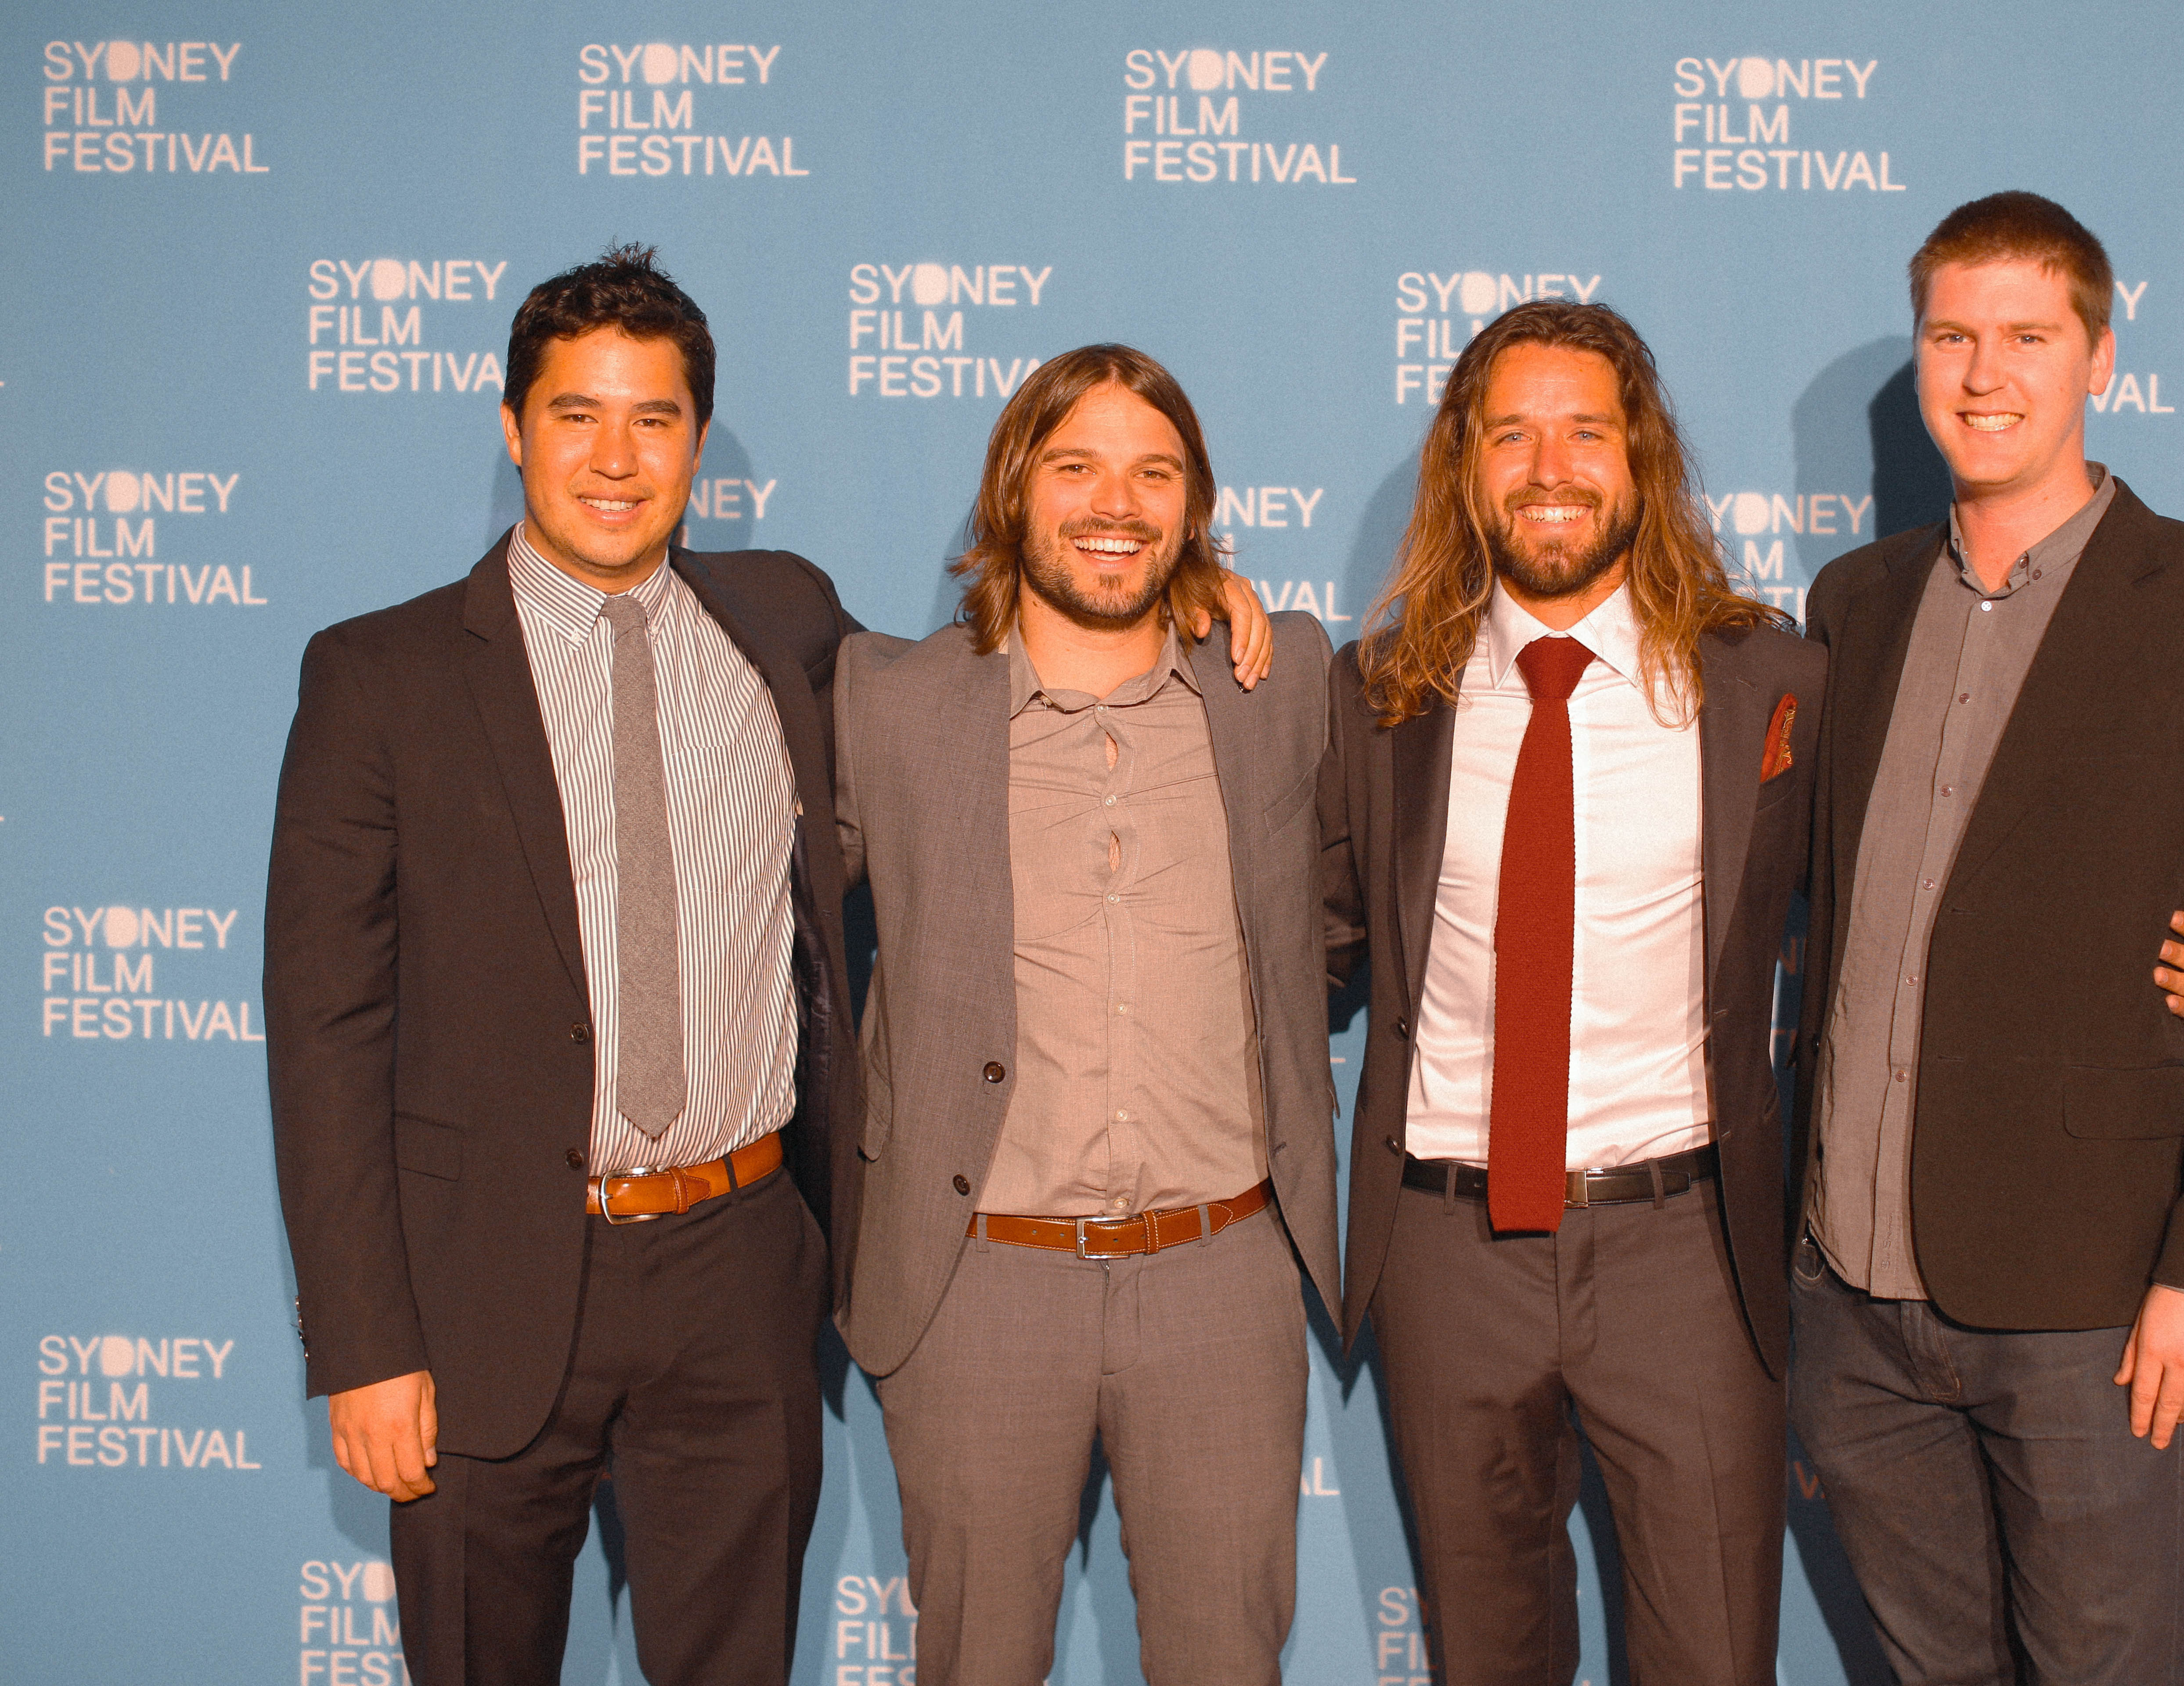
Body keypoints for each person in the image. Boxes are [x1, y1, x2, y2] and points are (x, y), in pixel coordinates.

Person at [265, 248, 1275, 1686]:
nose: (616, 460)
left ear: (697, 441)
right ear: (512, 428)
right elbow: (323, 1034)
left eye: (655, 420)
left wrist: (1190, 582)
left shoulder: (786, 625)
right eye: (576, 416)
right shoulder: (380, 676)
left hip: (737, 1274)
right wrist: (364, 1343)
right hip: (484, 1286)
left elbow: (1007, 675)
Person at [1790, 191, 2184, 1686]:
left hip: (2093, 1299)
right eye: (1953, 334)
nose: (1984, 373)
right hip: (1854, 1296)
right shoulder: (1853, 603)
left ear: (2099, 353)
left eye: (2028, 335)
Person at [1319, 299, 1820, 1685]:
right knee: (1488, 1659)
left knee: (1715, 1658)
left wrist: (2165, 943)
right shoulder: (1381, 698)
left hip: (1687, 1249)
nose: (1551, 467)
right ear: (1464, 468)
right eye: (1512, 434)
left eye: (1586, 431)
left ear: (1641, 459)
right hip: (1445, 1252)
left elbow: (1895, 910)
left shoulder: (1765, 680)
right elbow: (1303, 945)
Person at [830, 345, 1332, 1686]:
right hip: (980, 1280)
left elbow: (1344, 921)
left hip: (1222, 1274)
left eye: (1153, 472)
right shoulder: (887, 701)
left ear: (1194, 507)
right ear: (1015, 489)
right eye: (1078, 467)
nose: (1117, 502)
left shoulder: (1279, 687)